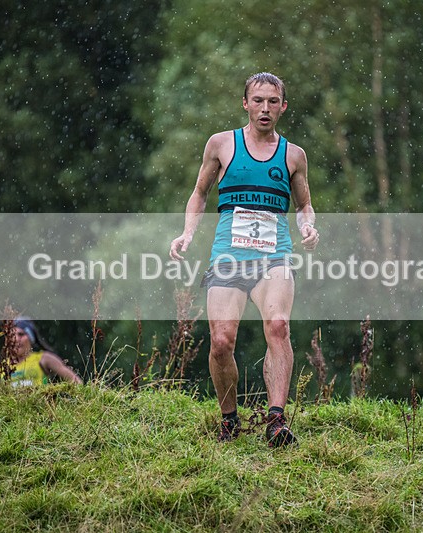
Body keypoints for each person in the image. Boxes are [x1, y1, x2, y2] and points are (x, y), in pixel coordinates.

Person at [169, 72, 318, 447]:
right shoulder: (221, 145)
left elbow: (304, 205)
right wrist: (188, 232)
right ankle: (230, 420)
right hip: (228, 257)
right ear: (245, 103)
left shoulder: (293, 155)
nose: (264, 108)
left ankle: (276, 420)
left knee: (278, 327)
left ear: (283, 106)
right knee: (221, 341)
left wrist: (308, 229)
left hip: (275, 258)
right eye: (258, 100)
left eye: (272, 101)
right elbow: (200, 193)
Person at [0, 316, 83, 390]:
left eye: (21, 334)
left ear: (31, 338)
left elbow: (76, 382)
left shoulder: (44, 359)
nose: (16, 339)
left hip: (39, 417)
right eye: (11, 335)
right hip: (8, 419)